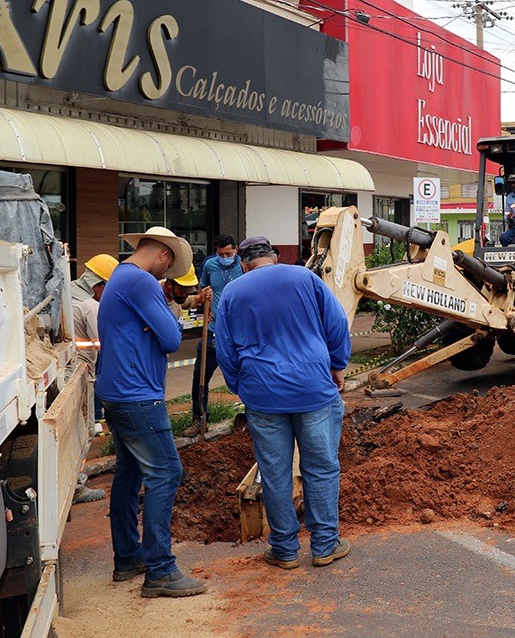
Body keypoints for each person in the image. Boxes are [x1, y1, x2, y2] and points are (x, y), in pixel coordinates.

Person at [215, 236, 352, 570]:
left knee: (274, 474)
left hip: (263, 393)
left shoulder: (233, 292)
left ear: (243, 264)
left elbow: (225, 349)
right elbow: (336, 325)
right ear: (273, 257)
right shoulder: (304, 277)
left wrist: (240, 385)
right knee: (320, 468)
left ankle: (284, 550)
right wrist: (337, 365)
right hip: (312, 388)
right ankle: (323, 545)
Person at [95, 226, 207, 598]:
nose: (167, 276)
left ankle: (128, 557)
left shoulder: (119, 278)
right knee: (166, 472)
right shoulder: (141, 283)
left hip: (118, 393)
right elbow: (173, 338)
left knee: (128, 473)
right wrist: (160, 323)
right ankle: (160, 570)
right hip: (138, 395)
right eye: (169, 268)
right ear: (162, 255)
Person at [184, 235, 244, 437]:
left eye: (228, 253)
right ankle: (199, 418)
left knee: (246, 373)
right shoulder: (210, 265)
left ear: (235, 249)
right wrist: (203, 304)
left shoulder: (243, 266)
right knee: (200, 375)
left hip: (238, 333)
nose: (225, 257)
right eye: (221, 254)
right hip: (213, 330)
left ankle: (253, 414)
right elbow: (202, 291)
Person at [70, 254, 118, 504]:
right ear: (98, 284)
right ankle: (76, 487)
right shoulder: (91, 306)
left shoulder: (65, 292)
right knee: (86, 430)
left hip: (64, 371)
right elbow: (103, 343)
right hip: (82, 373)